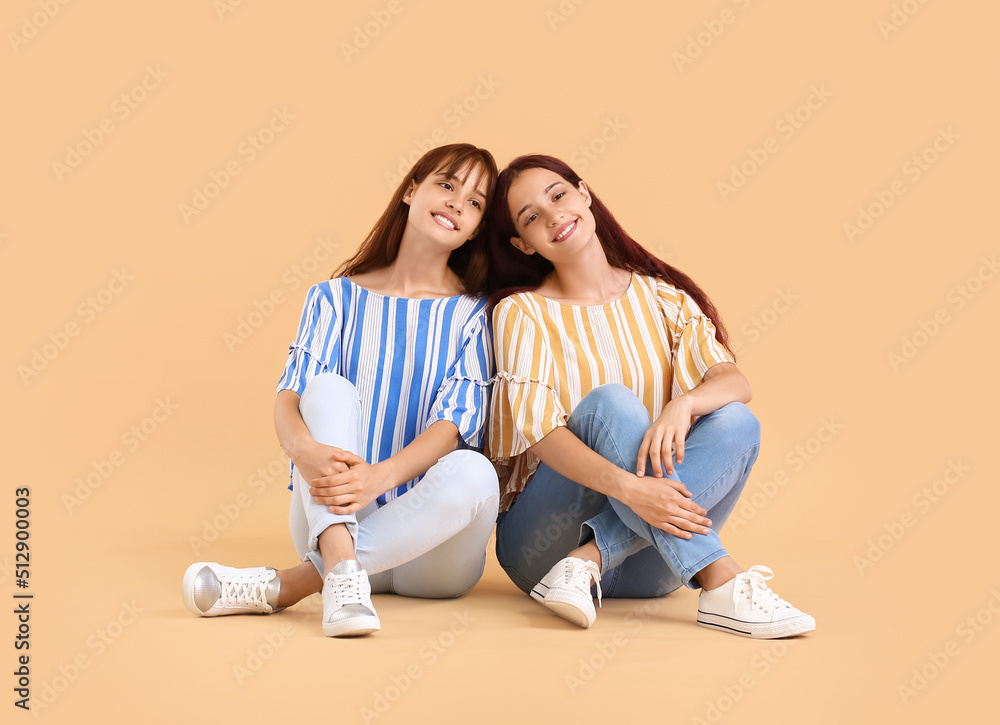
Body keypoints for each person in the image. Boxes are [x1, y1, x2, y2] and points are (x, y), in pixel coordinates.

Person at [485, 154, 815, 638]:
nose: (553, 215)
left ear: (584, 193)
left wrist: (684, 404)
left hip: (649, 564)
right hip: (540, 549)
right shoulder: (522, 313)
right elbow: (538, 434)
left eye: (558, 195)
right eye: (531, 216)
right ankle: (721, 581)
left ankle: (591, 557)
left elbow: (734, 382)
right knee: (613, 404)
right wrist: (627, 487)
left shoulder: (663, 299)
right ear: (523, 244)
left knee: (738, 421)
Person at [182, 143, 501, 637]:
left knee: (477, 470)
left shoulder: (474, 313)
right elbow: (290, 396)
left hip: (434, 555)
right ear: (411, 190)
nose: (459, 203)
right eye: (447, 184)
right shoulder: (334, 297)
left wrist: (379, 477)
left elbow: (452, 425)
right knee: (326, 387)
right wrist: (304, 452)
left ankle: (294, 584)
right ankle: (340, 566)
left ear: (478, 227)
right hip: (335, 518)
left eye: (477, 202)